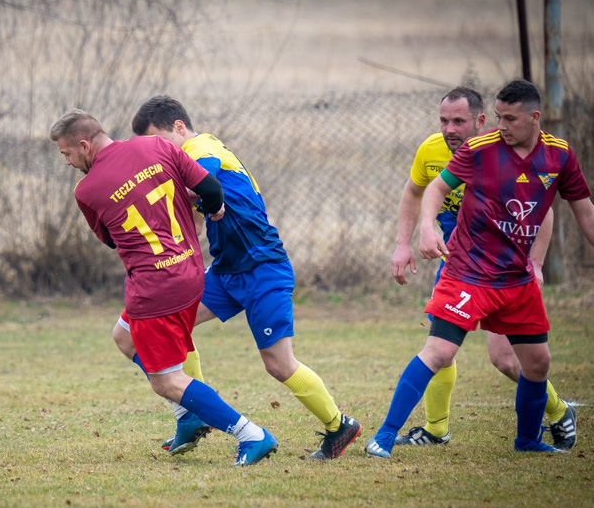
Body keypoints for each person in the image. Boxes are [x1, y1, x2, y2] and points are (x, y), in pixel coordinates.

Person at [112, 96, 361, 460]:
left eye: (162, 142)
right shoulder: (186, 154)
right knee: (170, 323)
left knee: (278, 364)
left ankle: (340, 426)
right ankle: (192, 411)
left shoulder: (202, 146)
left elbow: (200, 184)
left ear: (179, 127)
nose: (161, 151)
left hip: (263, 268)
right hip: (227, 271)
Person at [366, 79, 594, 458]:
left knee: (532, 362)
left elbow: (571, 210)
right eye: (444, 121)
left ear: (534, 118)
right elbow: (430, 189)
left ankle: (530, 439)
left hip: (515, 277)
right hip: (467, 270)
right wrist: (418, 233)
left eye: (509, 119)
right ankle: (388, 436)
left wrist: (535, 263)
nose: (501, 127)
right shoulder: (479, 150)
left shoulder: (559, 156)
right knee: (439, 351)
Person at [50, 108, 278, 466]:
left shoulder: (87, 190)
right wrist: (214, 211)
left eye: (66, 154)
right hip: (191, 273)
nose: (66, 162)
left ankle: (251, 434)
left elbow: (113, 240)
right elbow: (210, 188)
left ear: (84, 145)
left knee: (166, 380)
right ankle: (188, 417)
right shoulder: (156, 145)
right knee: (123, 336)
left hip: (154, 289)